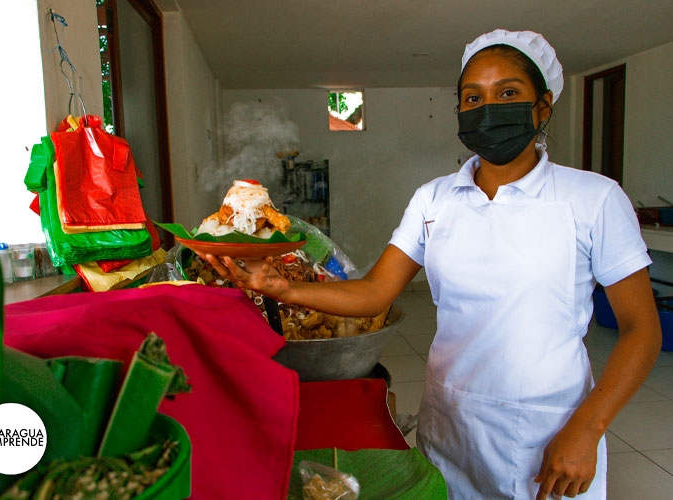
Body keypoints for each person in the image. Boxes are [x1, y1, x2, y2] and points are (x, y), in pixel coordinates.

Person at [205, 29, 661, 500]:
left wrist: (588, 427)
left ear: (542, 106)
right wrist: (284, 288)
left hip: (550, 430)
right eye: (472, 97)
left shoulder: (593, 199)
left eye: (508, 93)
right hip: (452, 425)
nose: (488, 108)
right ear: (460, 110)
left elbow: (641, 329)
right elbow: (377, 291)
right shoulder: (435, 199)